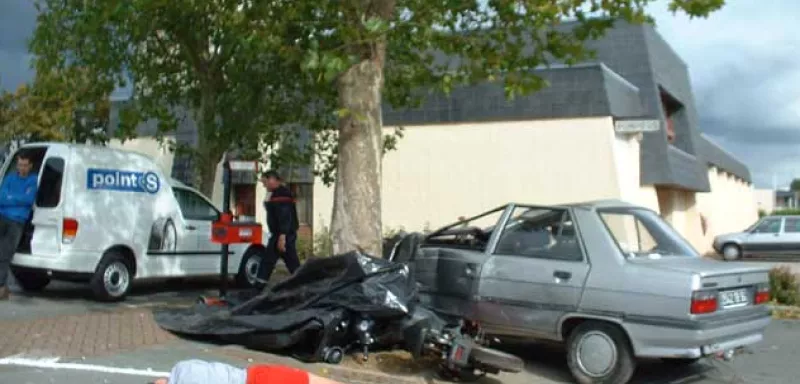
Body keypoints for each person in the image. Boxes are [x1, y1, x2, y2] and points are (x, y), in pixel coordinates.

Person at [0, 152, 38, 300]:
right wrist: (16, 199)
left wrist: (10, 197)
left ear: (30, 166)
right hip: (2, 217)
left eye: (24, 165)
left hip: (17, 222)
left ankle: (1, 285)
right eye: (19, 165)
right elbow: (1, 198)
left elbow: (28, 200)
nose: (21, 168)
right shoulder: (10, 178)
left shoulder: (33, 180)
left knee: (4, 254)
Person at [256, 170, 300, 285]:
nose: (263, 185)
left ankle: (258, 287)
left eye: (265, 182)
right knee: (278, 261)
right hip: (279, 234)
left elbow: (284, 216)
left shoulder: (282, 194)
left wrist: (282, 237)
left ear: (272, 179)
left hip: (283, 234)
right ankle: (258, 287)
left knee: (274, 261)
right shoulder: (275, 193)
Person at [151, 359, 342, 384]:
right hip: (255, 374)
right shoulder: (181, 366)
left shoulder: (181, 370)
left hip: (254, 379)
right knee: (312, 381)